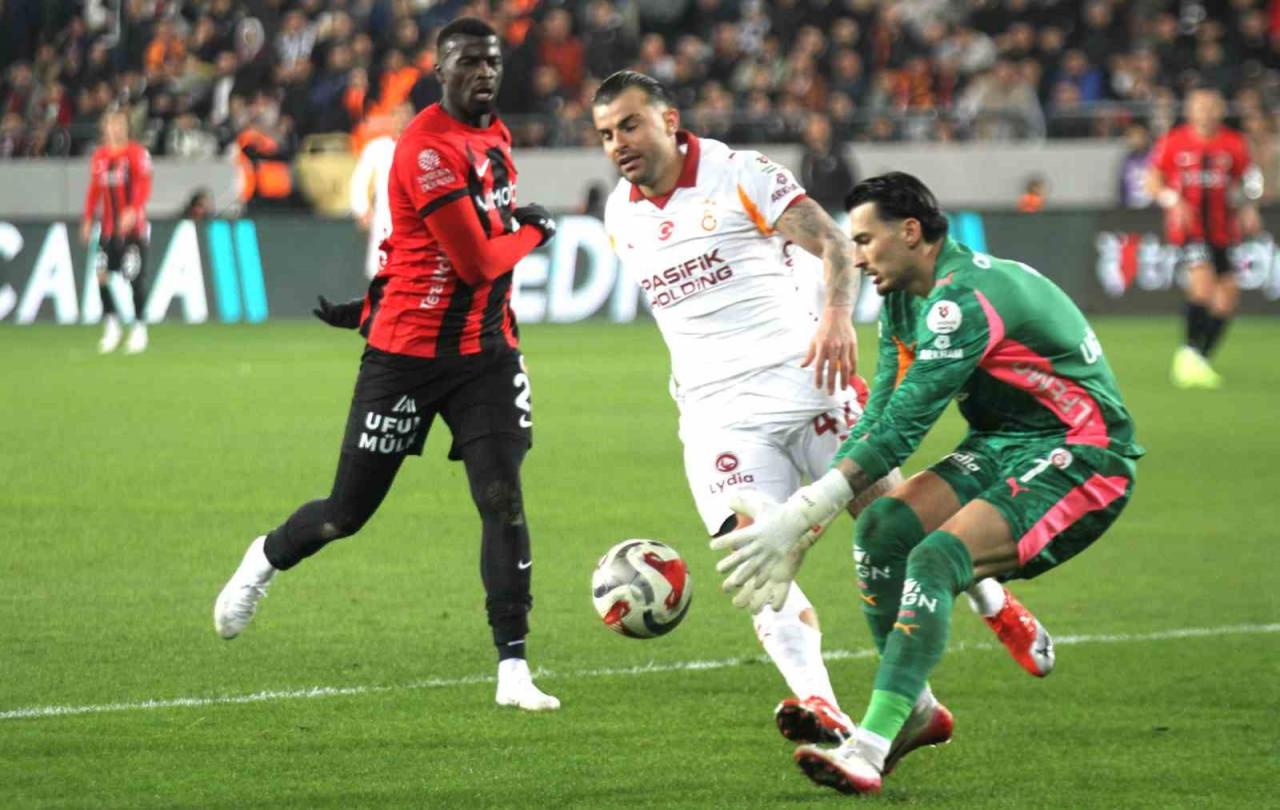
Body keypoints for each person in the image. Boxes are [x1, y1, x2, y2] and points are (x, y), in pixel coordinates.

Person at [591, 72, 1054, 746]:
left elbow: (836, 244)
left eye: (630, 125)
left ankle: (993, 600)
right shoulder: (620, 214)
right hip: (719, 416)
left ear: (668, 118)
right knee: (753, 560)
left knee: (899, 528)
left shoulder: (737, 173)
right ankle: (822, 703)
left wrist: (836, 316)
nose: (619, 144)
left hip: (809, 384)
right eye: (606, 134)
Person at [709, 172, 1144, 795]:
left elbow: (901, 432)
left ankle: (869, 746)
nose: (857, 257)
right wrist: (806, 524)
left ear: (911, 232)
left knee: (937, 559)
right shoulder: (904, 300)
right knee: (883, 527)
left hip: (1083, 452)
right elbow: (877, 417)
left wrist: (801, 510)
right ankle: (916, 711)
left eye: (866, 240)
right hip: (1002, 442)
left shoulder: (960, 299)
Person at [213, 17, 562, 712]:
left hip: (486, 354)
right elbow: (475, 261)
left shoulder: (495, 134)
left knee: (502, 498)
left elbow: (423, 249)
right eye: (469, 62)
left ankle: (513, 668)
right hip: (407, 361)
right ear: (440, 72)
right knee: (346, 513)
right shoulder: (426, 149)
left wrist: (373, 301)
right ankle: (263, 558)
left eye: (492, 62)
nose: (484, 73)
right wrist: (536, 230)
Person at [1146, 88, 1263, 389]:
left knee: (1227, 298)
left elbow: (1247, 180)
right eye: (1199, 106)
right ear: (1189, 110)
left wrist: (1248, 207)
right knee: (1203, 285)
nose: (1205, 112)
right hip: (1189, 229)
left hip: (1223, 230)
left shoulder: (1233, 143)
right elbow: (1152, 180)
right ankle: (1187, 354)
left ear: (1221, 110)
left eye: (1211, 106)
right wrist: (1174, 201)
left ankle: (1199, 359)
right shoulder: (1173, 141)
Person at [81, 108, 152, 354]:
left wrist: (134, 209)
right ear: (104, 128)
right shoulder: (99, 156)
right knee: (101, 275)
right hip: (108, 229)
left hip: (133, 230)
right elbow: (94, 191)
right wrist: (88, 218)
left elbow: (144, 185)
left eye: (120, 124)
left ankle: (139, 328)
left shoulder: (136, 153)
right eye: (111, 124)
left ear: (126, 127)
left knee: (134, 277)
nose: (115, 129)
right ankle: (112, 326)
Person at [350, 103, 414, 279]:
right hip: (384, 218)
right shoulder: (376, 148)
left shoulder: (422, 148)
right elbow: (360, 180)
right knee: (381, 272)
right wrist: (362, 209)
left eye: (406, 115)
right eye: (397, 115)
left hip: (414, 220)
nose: (402, 120)